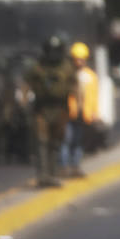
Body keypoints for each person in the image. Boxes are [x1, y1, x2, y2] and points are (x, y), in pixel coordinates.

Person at [24, 35, 75, 187]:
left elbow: (75, 86)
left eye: (56, 50)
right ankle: (43, 176)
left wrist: (77, 105)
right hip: (42, 109)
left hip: (60, 109)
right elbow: (26, 84)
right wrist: (24, 102)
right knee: (41, 142)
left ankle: (52, 174)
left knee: (55, 142)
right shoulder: (38, 66)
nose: (53, 54)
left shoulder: (67, 67)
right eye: (50, 50)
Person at [62, 41, 99, 177]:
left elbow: (94, 95)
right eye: (77, 59)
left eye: (81, 59)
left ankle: (75, 166)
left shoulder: (91, 76)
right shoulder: (67, 74)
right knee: (66, 140)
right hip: (68, 112)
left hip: (83, 114)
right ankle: (64, 167)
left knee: (78, 142)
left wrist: (94, 112)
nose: (79, 62)